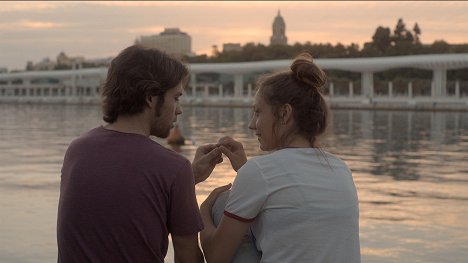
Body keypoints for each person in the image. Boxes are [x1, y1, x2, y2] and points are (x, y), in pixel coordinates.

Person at [57, 45, 222, 263]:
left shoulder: (77, 150)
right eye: (176, 97)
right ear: (151, 98)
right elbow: (187, 257)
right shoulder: (172, 168)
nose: (179, 109)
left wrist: (188, 179)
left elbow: (121, 196)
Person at [199, 53, 361, 263]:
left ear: (284, 114)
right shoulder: (340, 168)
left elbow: (215, 257)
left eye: (258, 113)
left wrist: (203, 210)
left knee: (221, 204)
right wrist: (245, 170)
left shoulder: (259, 172)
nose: (251, 124)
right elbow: (290, 197)